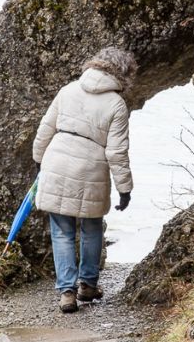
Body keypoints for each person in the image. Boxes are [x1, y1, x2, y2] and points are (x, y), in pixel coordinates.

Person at [32, 47, 136, 313]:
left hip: (57, 159)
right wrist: (125, 188)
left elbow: (46, 128)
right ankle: (87, 285)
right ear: (124, 73)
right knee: (91, 229)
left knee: (62, 231)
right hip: (91, 168)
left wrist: (39, 160)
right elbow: (116, 151)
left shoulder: (68, 89)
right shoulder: (116, 104)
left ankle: (67, 292)